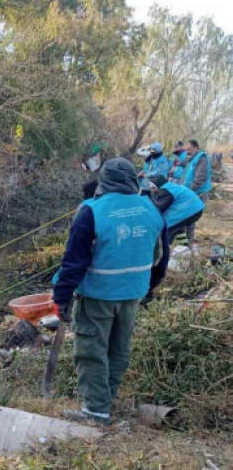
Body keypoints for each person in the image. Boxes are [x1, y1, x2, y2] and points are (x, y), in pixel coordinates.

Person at [53, 158, 169, 425]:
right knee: (118, 349)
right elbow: (161, 257)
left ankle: (95, 412)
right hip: (132, 295)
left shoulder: (92, 210)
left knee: (92, 350)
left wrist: (61, 297)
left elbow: (74, 262)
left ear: (103, 182)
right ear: (132, 180)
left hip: (98, 296)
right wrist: (150, 287)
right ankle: (106, 398)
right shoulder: (151, 209)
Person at [148, 175, 205, 245]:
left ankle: (164, 251)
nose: (152, 190)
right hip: (197, 208)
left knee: (168, 228)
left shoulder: (165, 191)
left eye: (153, 188)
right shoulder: (170, 187)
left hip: (190, 210)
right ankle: (185, 247)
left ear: (158, 185)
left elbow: (158, 208)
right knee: (178, 227)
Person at [181, 139, 212, 248]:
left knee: (190, 218)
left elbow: (200, 178)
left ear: (197, 148)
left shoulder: (201, 158)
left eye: (189, 149)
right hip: (190, 192)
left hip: (197, 193)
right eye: (186, 150)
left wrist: (189, 191)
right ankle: (186, 242)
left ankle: (188, 244)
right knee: (187, 218)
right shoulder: (191, 159)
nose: (187, 151)